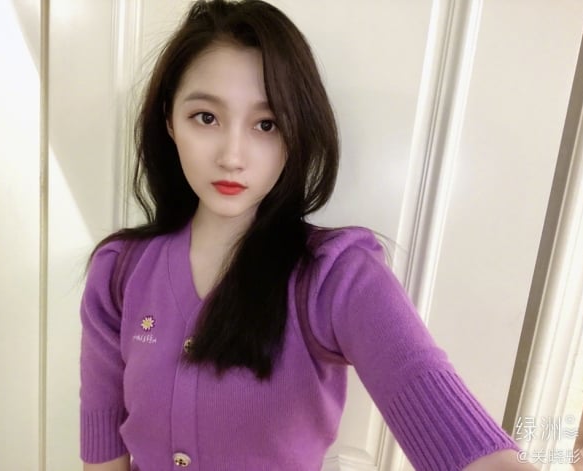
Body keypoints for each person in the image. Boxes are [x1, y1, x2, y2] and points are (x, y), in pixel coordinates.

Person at [79, 1, 537, 470]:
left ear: (295, 134)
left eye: (267, 124)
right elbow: (102, 448)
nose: (232, 156)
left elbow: (431, 397)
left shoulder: (336, 277)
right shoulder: (119, 271)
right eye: (206, 117)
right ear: (169, 121)